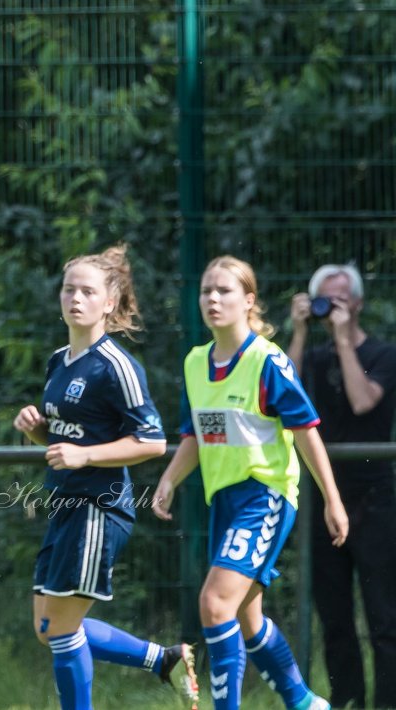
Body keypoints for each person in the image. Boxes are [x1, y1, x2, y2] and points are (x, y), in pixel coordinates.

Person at [153, 255, 349, 710]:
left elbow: (305, 430)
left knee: (214, 604)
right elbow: (196, 435)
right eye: (206, 291)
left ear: (249, 300)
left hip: (266, 495)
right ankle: (304, 702)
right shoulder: (195, 362)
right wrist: (169, 478)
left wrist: (331, 500)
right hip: (223, 500)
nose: (213, 298)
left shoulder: (266, 360)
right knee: (246, 618)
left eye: (224, 290)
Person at [11, 245, 197, 710]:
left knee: (61, 628)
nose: (75, 297)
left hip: (99, 508)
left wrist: (85, 456)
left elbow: (152, 441)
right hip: (66, 504)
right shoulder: (59, 361)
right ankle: (163, 660)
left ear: (109, 303)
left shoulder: (116, 365)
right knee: (47, 628)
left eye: (87, 291)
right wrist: (39, 433)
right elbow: (65, 442)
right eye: (69, 288)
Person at [287, 263, 396, 709]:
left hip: (374, 500)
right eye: (325, 300)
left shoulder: (383, 354)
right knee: (334, 618)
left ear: (359, 303)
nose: (334, 308)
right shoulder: (310, 359)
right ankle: (346, 700)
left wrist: (344, 339)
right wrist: (297, 333)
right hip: (321, 500)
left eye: (342, 299)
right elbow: (281, 394)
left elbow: (362, 400)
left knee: (384, 615)